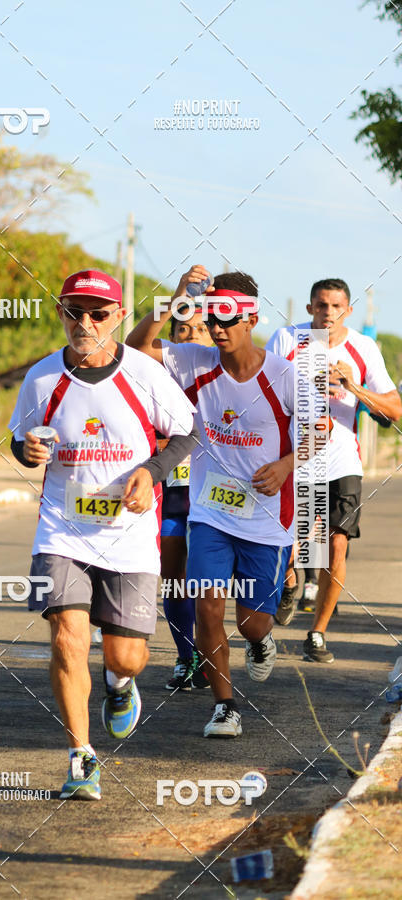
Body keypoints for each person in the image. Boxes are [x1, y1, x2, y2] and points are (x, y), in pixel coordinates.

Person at [9, 268, 198, 799]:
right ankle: (81, 760)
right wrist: (28, 452)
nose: (84, 323)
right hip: (61, 531)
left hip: (131, 535)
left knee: (124, 656)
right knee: (68, 639)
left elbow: (187, 433)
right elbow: (20, 442)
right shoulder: (42, 378)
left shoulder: (144, 373)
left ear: (118, 316)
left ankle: (120, 686)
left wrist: (151, 472)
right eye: (74, 311)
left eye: (97, 313)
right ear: (60, 313)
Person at [127, 265, 329, 738]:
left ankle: (261, 642)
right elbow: (136, 351)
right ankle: (225, 706)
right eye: (209, 318)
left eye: (225, 318)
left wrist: (285, 465)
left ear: (250, 319)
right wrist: (175, 296)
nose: (216, 328)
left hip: (265, 518)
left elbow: (321, 429)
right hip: (210, 513)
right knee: (208, 609)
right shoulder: (195, 362)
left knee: (253, 623)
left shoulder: (285, 376)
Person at [267, 278, 402, 662]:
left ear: (348, 310)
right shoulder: (286, 340)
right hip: (293, 457)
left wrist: (353, 387)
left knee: (336, 545)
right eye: (321, 306)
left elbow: (393, 410)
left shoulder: (362, 347)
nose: (328, 313)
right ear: (309, 308)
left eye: (336, 307)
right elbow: (263, 394)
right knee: (288, 546)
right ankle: (290, 582)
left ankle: (318, 632)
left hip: (342, 460)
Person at [159, 304, 213, 691]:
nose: (191, 335)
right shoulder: (154, 377)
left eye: (199, 329)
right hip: (172, 491)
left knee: (210, 583)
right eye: (182, 329)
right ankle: (186, 656)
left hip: (217, 494)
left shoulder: (225, 374)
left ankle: (212, 651)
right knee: (174, 578)